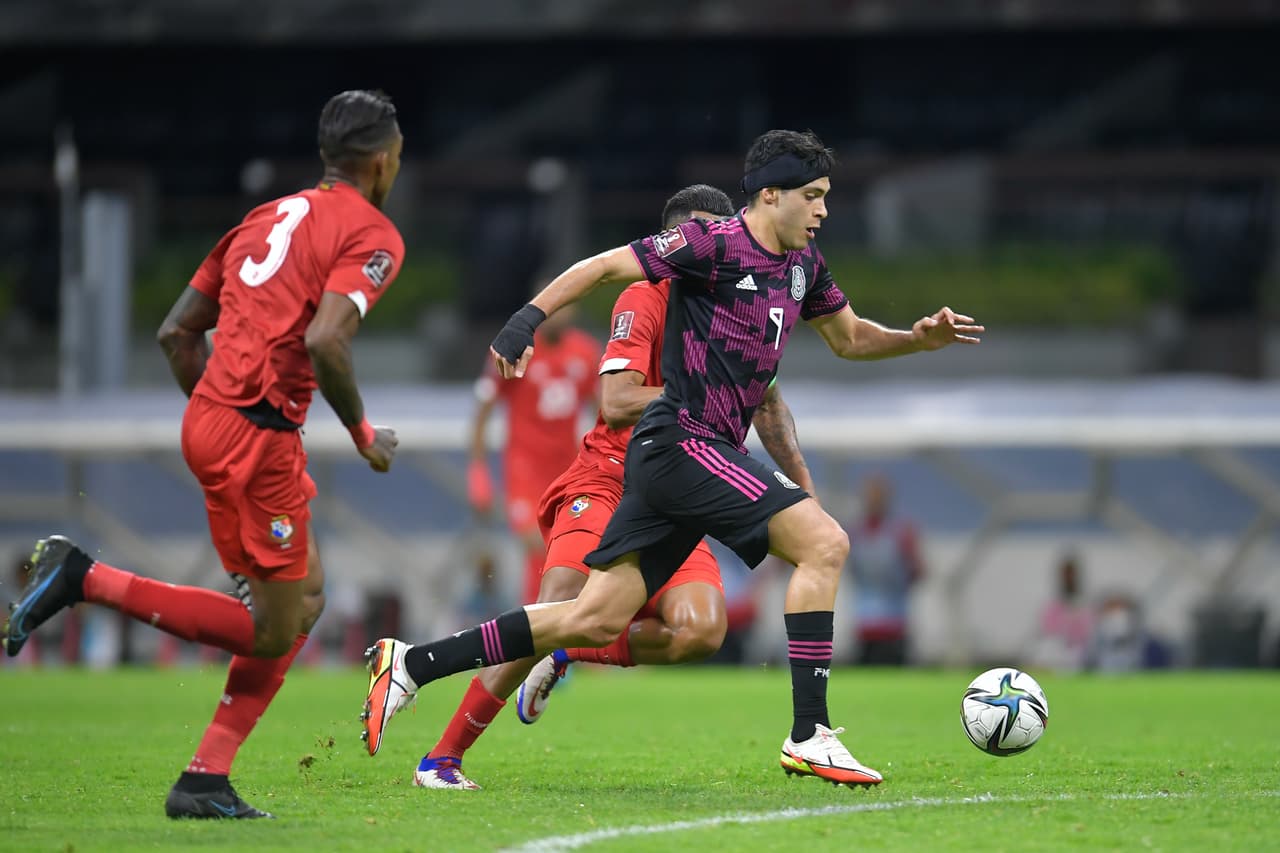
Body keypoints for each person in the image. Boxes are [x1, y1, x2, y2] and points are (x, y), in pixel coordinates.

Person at [363, 128, 983, 787]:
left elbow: (851, 338)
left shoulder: (802, 266)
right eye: (815, 196)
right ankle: (811, 734)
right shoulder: (710, 247)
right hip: (680, 442)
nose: (824, 210)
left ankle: (412, 663)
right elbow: (604, 271)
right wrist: (525, 320)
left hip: (687, 455)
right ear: (770, 196)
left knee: (594, 618)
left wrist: (916, 339)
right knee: (824, 544)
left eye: (826, 196)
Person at [3, 89, 405, 819]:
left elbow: (175, 335)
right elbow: (325, 340)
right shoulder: (372, 233)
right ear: (383, 161)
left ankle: (205, 778)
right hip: (256, 438)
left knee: (306, 597)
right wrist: (362, 434)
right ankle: (83, 577)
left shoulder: (260, 219)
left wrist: (225, 422)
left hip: (217, 419)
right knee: (272, 628)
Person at [411, 183, 818, 789]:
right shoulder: (645, 295)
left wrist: (805, 501)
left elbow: (770, 408)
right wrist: (710, 400)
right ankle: (442, 756)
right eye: (711, 233)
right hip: (607, 481)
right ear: (677, 240)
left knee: (701, 629)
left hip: (682, 491)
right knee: (555, 603)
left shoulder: (745, 306)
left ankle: (570, 650)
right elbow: (618, 400)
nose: (725, 246)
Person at [468, 292, 601, 606]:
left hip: (567, 470)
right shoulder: (517, 349)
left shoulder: (585, 352)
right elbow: (483, 410)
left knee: (568, 555)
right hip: (525, 470)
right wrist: (478, 471)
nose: (558, 316)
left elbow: (603, 411)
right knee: (537, 549)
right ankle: (538, 633)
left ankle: (556, 639)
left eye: (565, 307)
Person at [847, 473, 925, 666]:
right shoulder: (855, 532)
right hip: (864, 620)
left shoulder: (900, 531)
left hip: (895, 621)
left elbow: (918, 569)